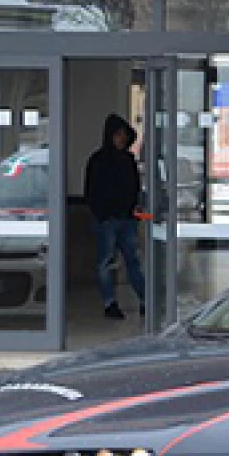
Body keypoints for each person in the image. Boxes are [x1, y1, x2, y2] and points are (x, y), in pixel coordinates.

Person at [84, 114, 145, 321]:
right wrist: (101, 215)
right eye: (117, 135)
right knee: (105, 263)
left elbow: (134, 188)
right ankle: (109, 303)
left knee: (133, 262)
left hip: (127, 220)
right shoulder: (98, 161)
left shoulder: (128, 160)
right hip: (107, 221)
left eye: (123, 136)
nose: (120, 139)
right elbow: (91, 191)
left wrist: (132, 211)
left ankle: (145, 300)